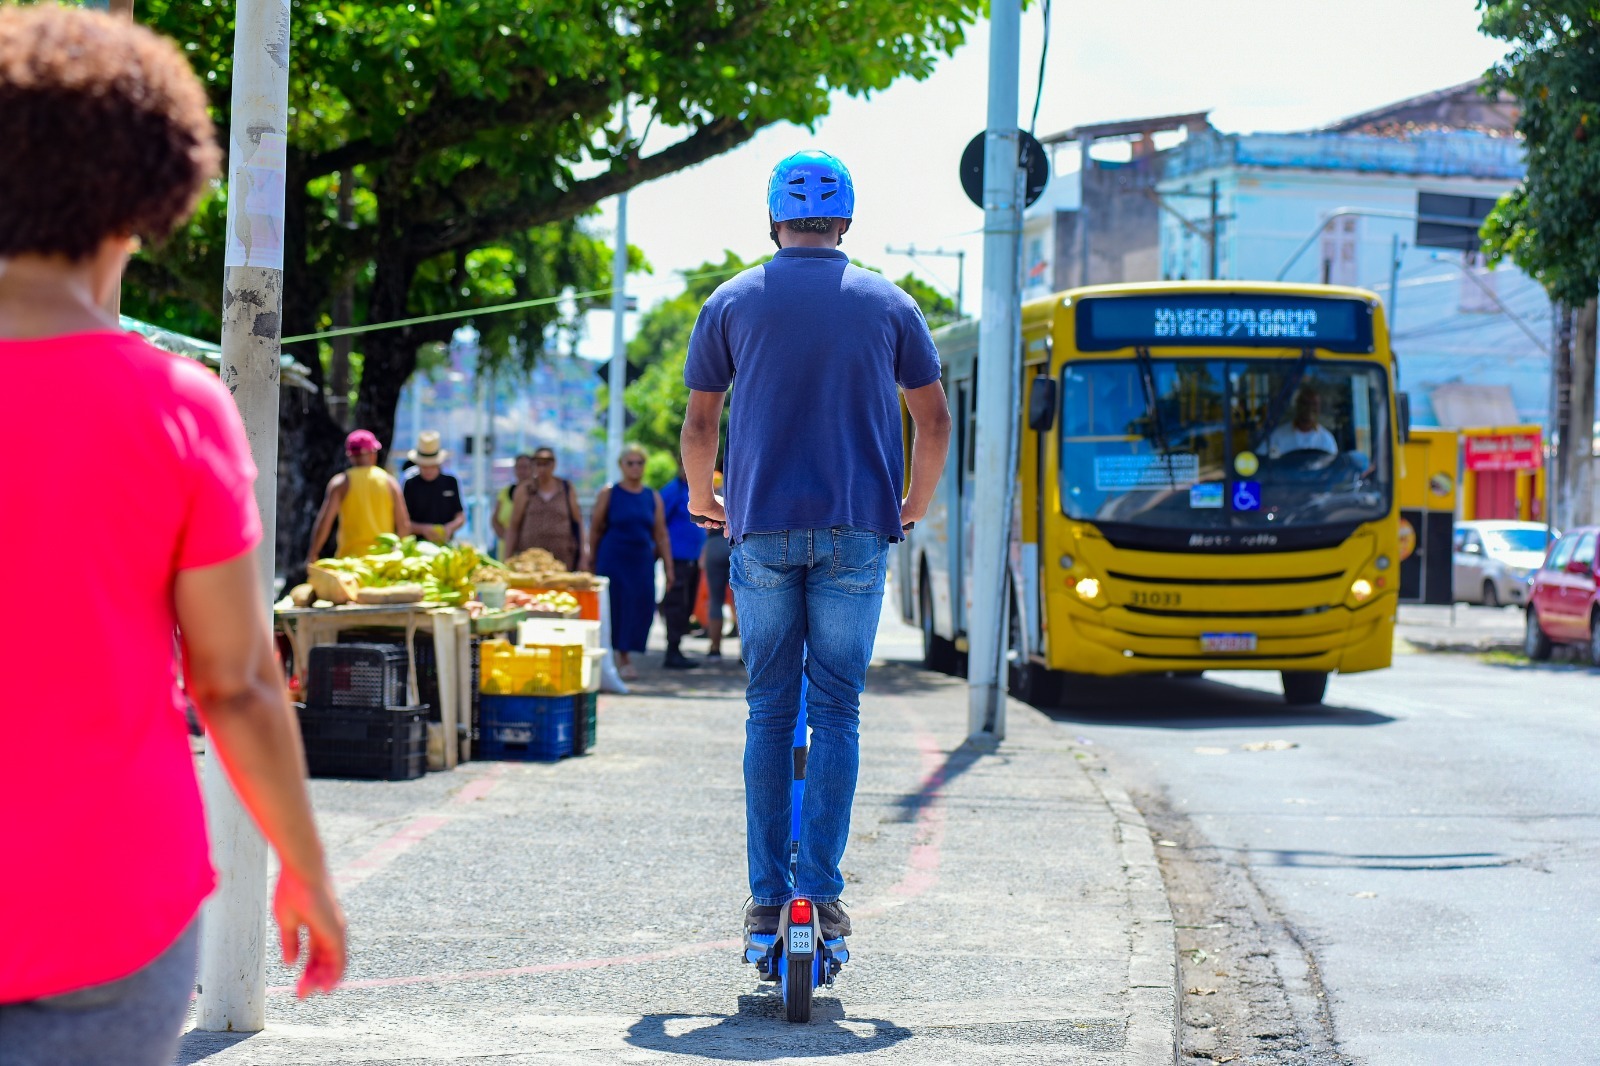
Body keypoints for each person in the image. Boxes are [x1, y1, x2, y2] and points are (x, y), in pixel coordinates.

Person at [0, 8, 346, 1063]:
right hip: (105, 910)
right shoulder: (175, 409)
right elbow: (235, 681)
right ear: (147, 199)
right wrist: (303, 865)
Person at [679, 150, 951, 942]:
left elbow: (701, 426)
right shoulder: (888, 303)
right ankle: (821, 896)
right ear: (846, 220)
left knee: (769, 714)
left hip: (758, 528)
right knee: (836, 710)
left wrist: (705, 499)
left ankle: (768, 899)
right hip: (858, 532)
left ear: (774, 219)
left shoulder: (731, 301)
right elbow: (932, 420)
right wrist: (911, 504)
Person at [590, 447, 674, 681]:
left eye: (639, 462)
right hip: (613, 557)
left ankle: (627, 651)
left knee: (641, 605)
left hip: (641, 560)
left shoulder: (652, 496)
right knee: (615, 605)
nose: (635, 467)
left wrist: (669, 567)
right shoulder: (609, 493)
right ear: (621, 465)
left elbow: (661, 534)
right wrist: (590, 560)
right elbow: (596, 529)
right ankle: (620, 656)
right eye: (630, 463)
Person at [306, 428, 412, 564]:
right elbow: (404, 525)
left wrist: (313, 554)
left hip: (350, 563)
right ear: (373, 453)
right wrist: (400, 555)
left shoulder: (340, 483)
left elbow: (324, 523)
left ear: (350, 456)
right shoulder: (389, 482)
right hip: (383, 562)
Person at [657, 458, 707, 669]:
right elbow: (658, 524)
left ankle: (676, 648)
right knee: (676, 605)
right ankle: (672, 650)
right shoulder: (672, 491)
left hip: (692, 559)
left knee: (687, 605)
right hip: (676, 558)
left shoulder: (693, 489)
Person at [507, 445, 586, 570]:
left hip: (563, 559)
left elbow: (578, 521)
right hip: (530, 562)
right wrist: (508, 559)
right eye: (538, 463)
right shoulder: (525, 490)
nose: (542, 468)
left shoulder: (566, 488)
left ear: (554, 465)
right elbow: (514, 526)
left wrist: (583, 557)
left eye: (546, 463)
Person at [402, 430, 466, 544]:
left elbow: (460, 516)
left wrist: (450, 527)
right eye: (424, 466)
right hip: (416, 545)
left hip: (447, 544)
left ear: (439, 463)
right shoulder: (410, 483)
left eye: (431, 466)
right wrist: (423, 529)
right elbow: (403, 521)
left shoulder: (451, 481)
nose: (428, 470)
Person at [700, 470, 735, 662]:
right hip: (733, 544)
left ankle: (714, 648)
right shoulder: (734, 490)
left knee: (715, 599)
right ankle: (742, 651)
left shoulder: (709, 496)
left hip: (713, 546)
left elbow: (703, 527)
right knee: (738, 599)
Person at [1267, 386, 1338, 458]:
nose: (1309, 408)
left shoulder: (1327, 439)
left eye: (1314, 404)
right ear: (1297, 406)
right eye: (1305, 403)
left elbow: (1334, 466)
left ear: (1319, 408)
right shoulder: (1277, 436)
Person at [491, 453, 535, 561]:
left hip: (530, 549)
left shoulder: (536, 494)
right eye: (519, 467)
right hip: (506, 549)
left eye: (526, 467)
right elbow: (495, 519)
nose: (522, 471)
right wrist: (507, 537)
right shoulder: (506, 491)